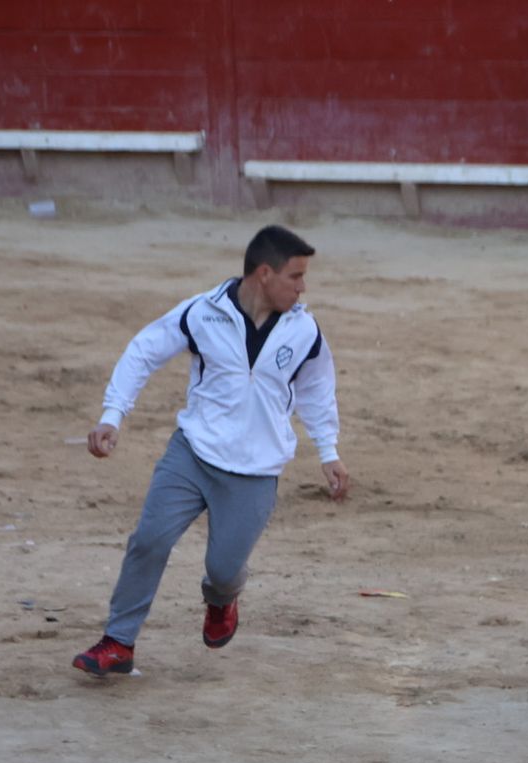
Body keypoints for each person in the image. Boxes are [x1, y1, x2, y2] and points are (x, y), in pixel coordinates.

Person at [72, 225, 349, 677]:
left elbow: (318, 390)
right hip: (193, 454)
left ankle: (222, 600)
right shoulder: (203, 312)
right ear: (264, 274)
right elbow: (145, 350)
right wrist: (111, 414)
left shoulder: (304, 330)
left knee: (223, 570)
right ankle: (118, 641)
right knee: (149, 540)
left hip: (256, 471)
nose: (302, 287)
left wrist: (329, 451)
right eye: (295, 276)